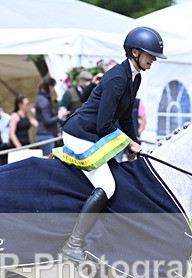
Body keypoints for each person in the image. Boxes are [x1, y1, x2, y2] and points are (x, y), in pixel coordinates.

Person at [53, 26, 164, 263]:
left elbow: (126, 116)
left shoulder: (135, 77)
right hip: (81, 134)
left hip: (95, 133)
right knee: (107, 185)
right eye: (151, 55)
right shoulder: (117, 78)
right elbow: (104, 124)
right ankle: (73, 245)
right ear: (135, 52)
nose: (154, 60)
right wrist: (129, 145)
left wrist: (135, 144)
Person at [34, 76, 67, 156]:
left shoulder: (42, 99)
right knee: (48, 159)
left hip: (47, 134)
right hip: (46, 135)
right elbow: (47, 120)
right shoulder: (43, 101)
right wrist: (59, 116)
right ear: (50, 87)